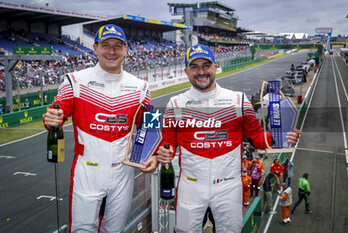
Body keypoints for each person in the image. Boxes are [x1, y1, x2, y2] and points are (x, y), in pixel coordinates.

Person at [156, 44, 301, 232]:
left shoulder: (238, 100)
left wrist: (280, 139)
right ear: (186, 71)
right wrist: (163, 152)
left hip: (229, 186)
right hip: (190, 186)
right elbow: (168, 142)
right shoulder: (175, 103)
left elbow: (257, 136)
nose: (201, 72)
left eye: (206, 65)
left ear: (215, 67)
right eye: (194, 66)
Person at [43, 24, 158, 232]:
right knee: (82, 230)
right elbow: (56, 115)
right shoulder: (75, 81)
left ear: (125, 49)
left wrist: (155, 155)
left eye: (117, 46)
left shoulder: (141, 87)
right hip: (87, 171)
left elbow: (148, 128)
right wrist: (51, 119)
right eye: (106, 45)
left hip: (123, 171)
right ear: (95, 48)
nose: (112, 51)